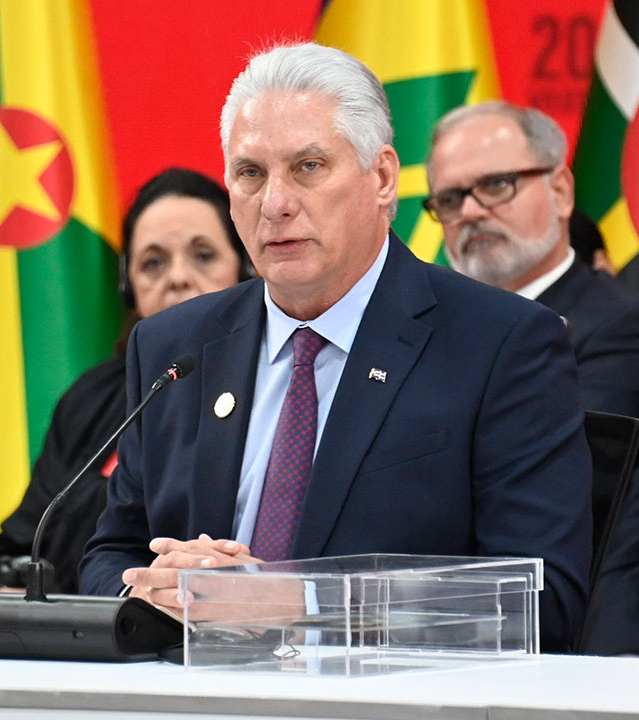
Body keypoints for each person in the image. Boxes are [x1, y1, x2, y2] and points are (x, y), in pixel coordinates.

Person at [79, 43, 591, 652]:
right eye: (250, 174)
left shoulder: (502, 344)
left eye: (308, 167)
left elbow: (542, 599)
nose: (275, 203)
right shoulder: (172, 346)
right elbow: (112, 551)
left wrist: (303, 603)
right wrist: (144, 594)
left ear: (381, 178)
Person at [0, 168, 253, 594]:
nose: (177, 277)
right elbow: (20, 546)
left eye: (203, 255)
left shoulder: (276, 384)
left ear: (245, 268)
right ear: (128, 287)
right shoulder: (93, 398)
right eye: (153, 262)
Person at [426, 101, 639, 420]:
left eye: (496, 184)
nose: (469, 212)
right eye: (449, 199)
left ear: (560, 192)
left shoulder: (621, 324)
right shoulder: (422, 328)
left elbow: (570, 463)